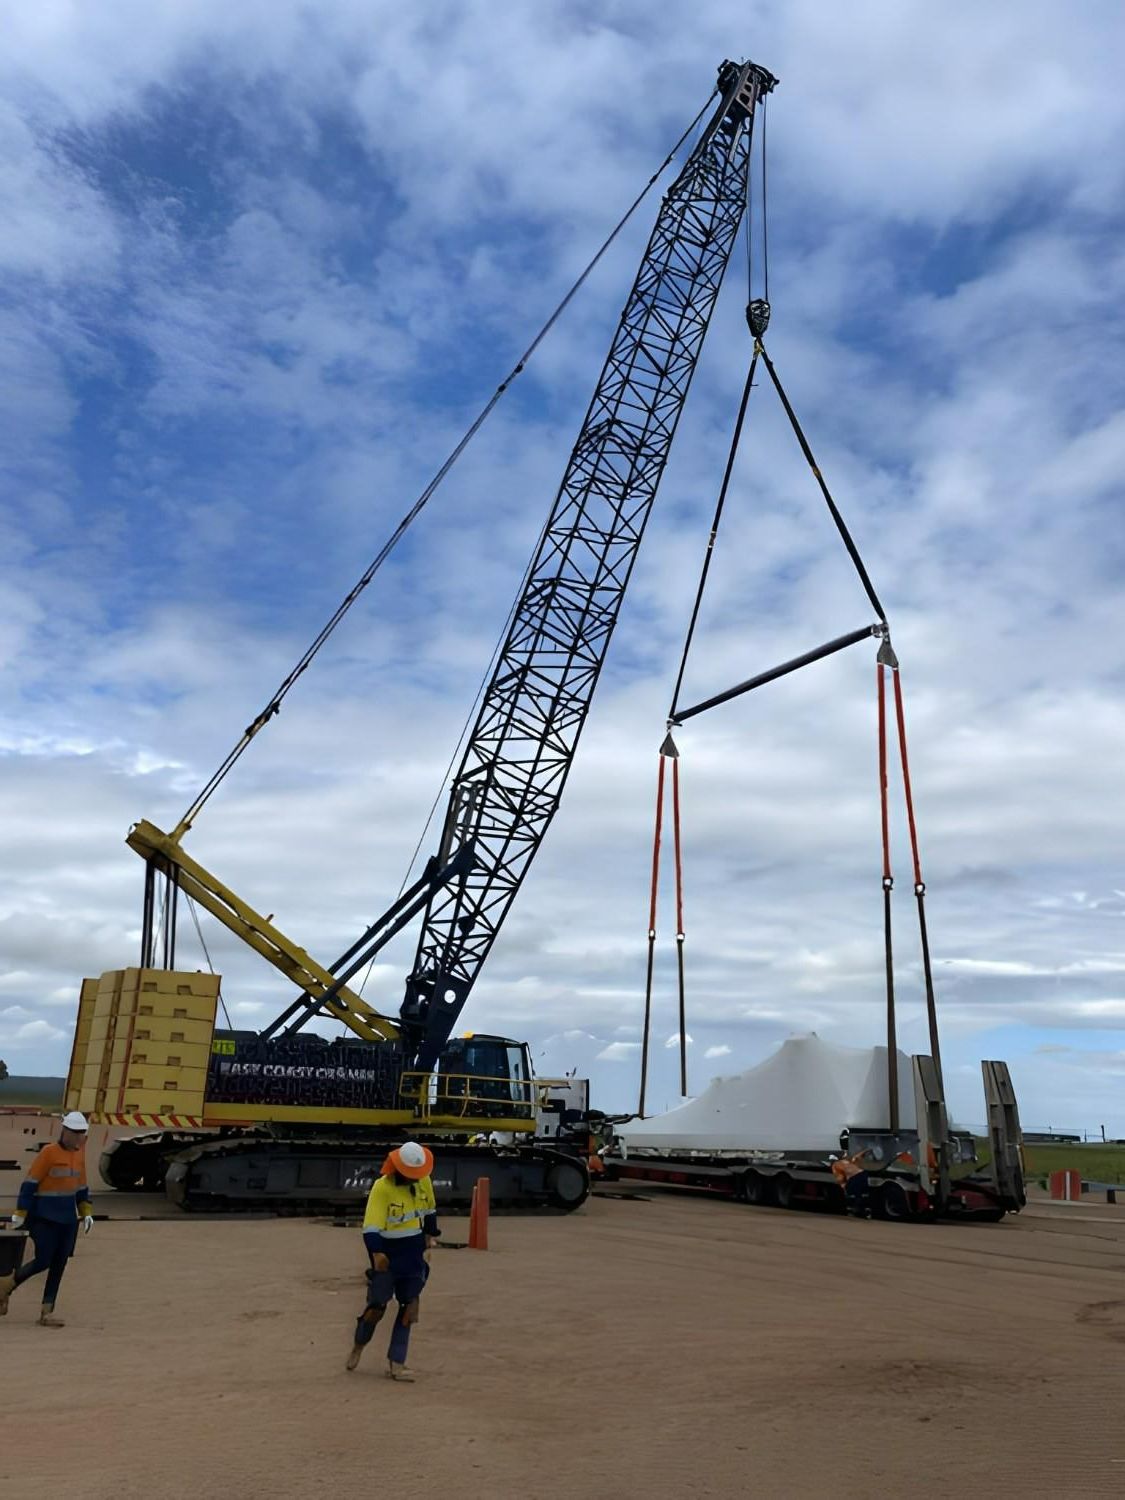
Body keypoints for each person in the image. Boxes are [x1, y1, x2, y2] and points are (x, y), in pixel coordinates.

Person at [346, 1140, 440, 1381]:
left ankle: (396, 1363)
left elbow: (429, 1211)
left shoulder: (423, 1181)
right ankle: (359, 1345)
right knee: (376, 1307)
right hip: (387, 1256)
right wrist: (377, 1254)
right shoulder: (382, 1187)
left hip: (413, 1254)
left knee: (409, 1307)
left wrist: (429, 1239)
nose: (415, 1179)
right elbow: (371, 1227)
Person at [0, 1110, 94, 1326]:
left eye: (82, 1133)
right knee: (44, 1260)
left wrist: (86, 1213)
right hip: (43, 1217)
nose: (80, 1137)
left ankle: (46, 1311)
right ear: (65, 1131)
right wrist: (20, 1213)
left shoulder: (79, 1155)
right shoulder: (48, 1153)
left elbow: (82, 1188)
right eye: (76, 1133)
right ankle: (7, 1284)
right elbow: (29, 1184)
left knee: (59, 1263)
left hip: (68, 1220)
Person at [830, 1146, 872, 1218]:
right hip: (862, 1174)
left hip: (855, 1177)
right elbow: (856, 1157)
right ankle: (864, 1211)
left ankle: (857, 1211)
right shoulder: (844, 1162)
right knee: (862, 1194)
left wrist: (843, 1187)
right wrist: (866, 1151)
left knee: (855, 1195)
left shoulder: (836, 1165)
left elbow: (840, 1178)